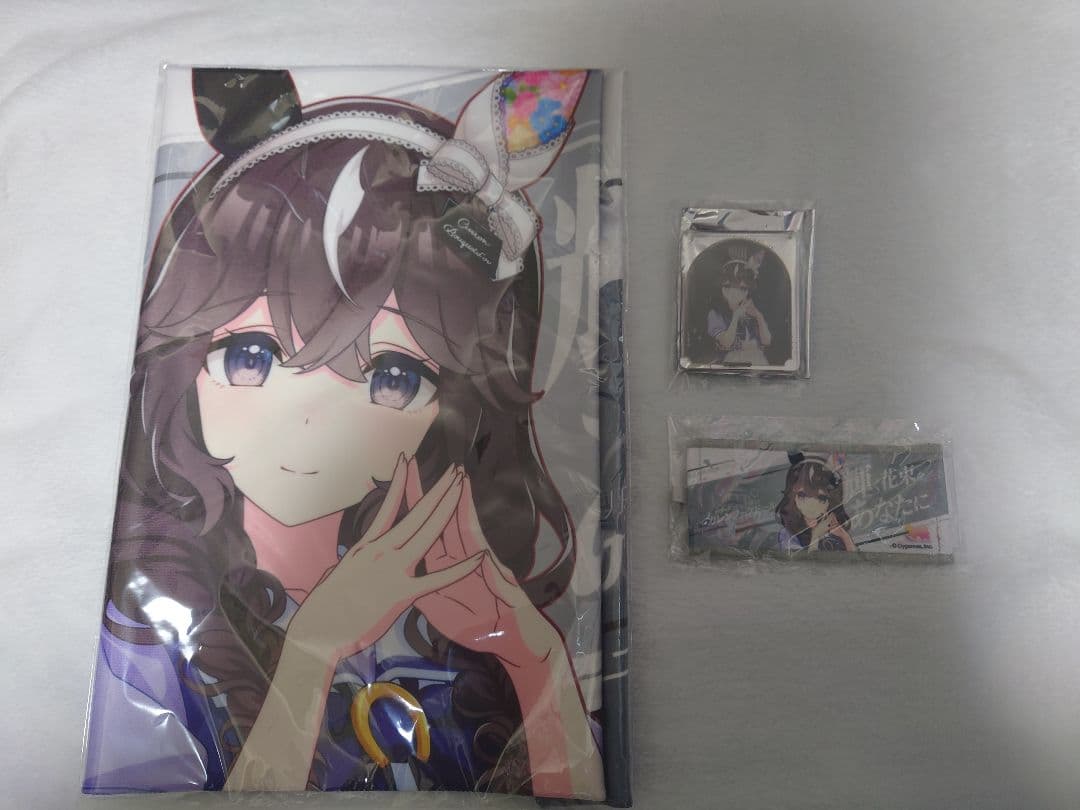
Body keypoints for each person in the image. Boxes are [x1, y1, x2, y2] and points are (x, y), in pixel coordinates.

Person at [83, 69, 604, 798]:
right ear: (185, 366)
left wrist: (536, 659)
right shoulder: (145, 635)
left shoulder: (456, 616)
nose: (309, 419)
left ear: (451, 409)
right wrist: (313, 651)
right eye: (251, 357)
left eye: (392, 376)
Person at [775, 456, 856, 553]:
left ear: (830, 502)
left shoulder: (834, 527)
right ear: (793, 498)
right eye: (802, 495)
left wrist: (844, 536)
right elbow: (801, 562)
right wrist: (816, 535)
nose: (811, 505)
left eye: (821, 498)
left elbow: (857, 560)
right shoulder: (788, 534)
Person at [706, 248, 772, 365]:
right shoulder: (715, 314)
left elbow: (767, 341)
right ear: (721, 288)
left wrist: (759, 316)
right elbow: (726, 343)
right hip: (730, 363)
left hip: (758, 361)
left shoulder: (752, 310)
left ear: (748, 290)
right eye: (727, 287)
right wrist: (736, 316)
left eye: (742, 288)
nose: (734, 293)